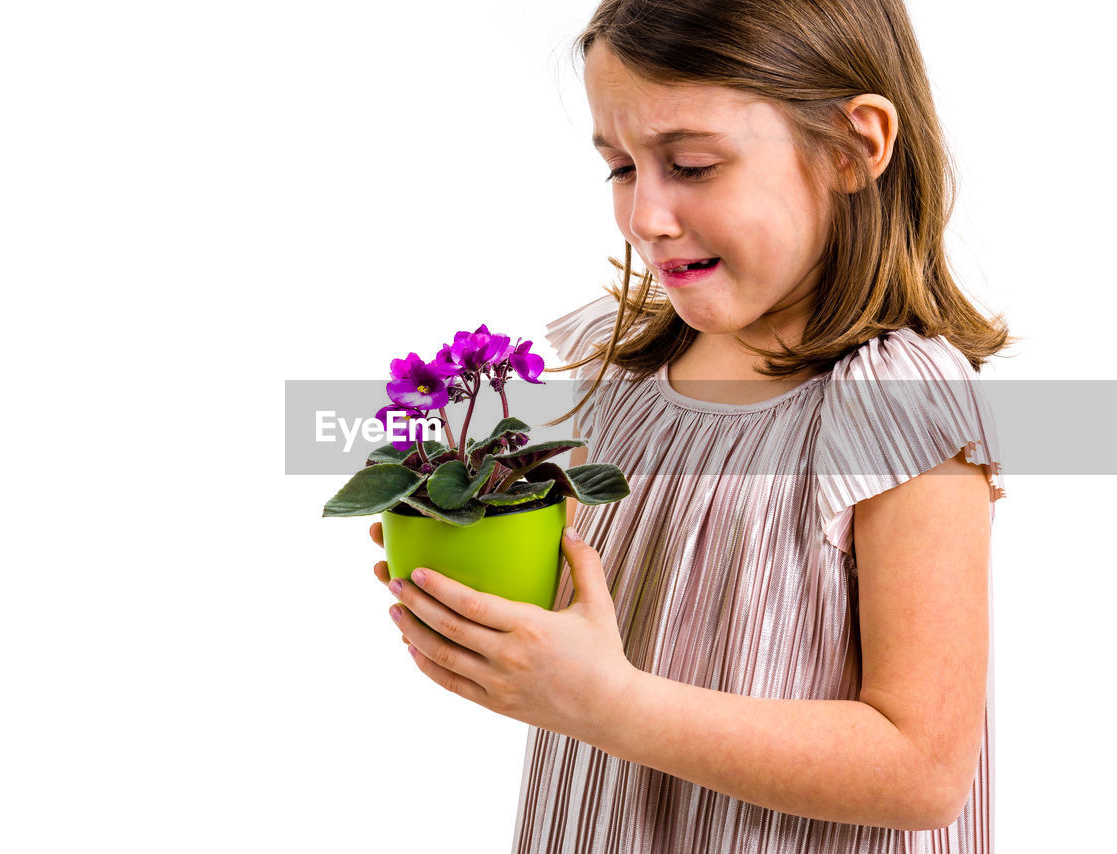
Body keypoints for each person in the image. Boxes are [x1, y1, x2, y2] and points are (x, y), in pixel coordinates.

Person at [369, 0, 1010, 850]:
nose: (646, 217)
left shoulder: (899, 401)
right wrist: (493, 621)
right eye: (621, 169)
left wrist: (610, 704)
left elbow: (923, 771)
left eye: (694, 164)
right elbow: (638, 618)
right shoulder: (621, 370)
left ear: (856, 146)